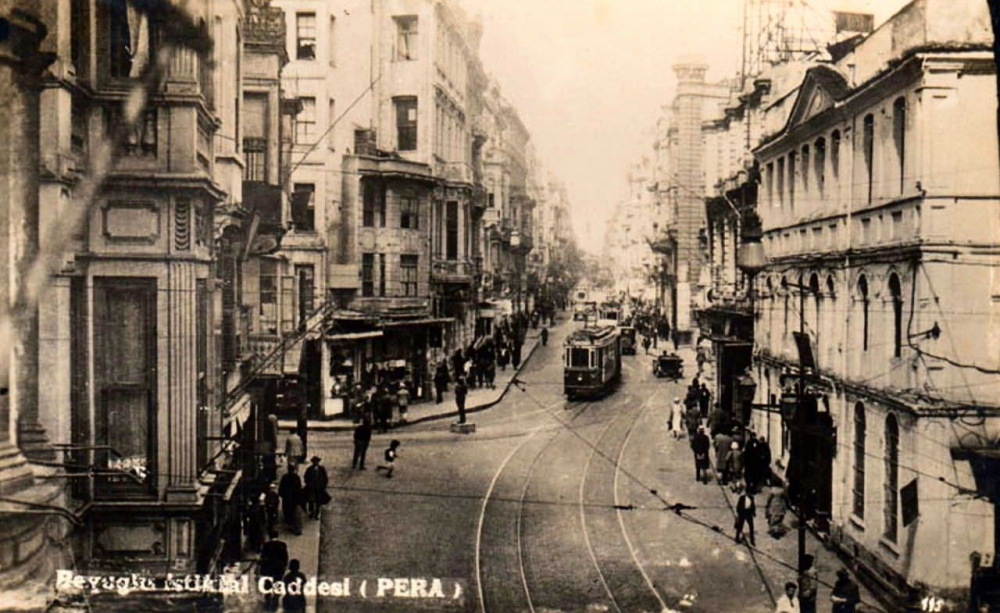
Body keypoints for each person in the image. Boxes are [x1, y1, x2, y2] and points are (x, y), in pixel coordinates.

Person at [259, 532, 288, 611]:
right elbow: (285, 557)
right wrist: (284, 566)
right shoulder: (283, 545)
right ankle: (275, 601)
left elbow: (263, 557)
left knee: (267, 584)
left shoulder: (266, 545)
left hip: (268, 567)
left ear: (270, 536)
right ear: (277, 536)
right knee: (277, 583)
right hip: (279, 567)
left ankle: (267, 602)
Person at [278, 463, 303, 535]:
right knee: (289, 511)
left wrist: (282, 494)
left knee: (289, 511)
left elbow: (282, 487)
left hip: (290, 498)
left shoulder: (286, 477)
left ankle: (291, 524)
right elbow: (299, 488)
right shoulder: (294, 477)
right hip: (290, 498)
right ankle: (291, 524)